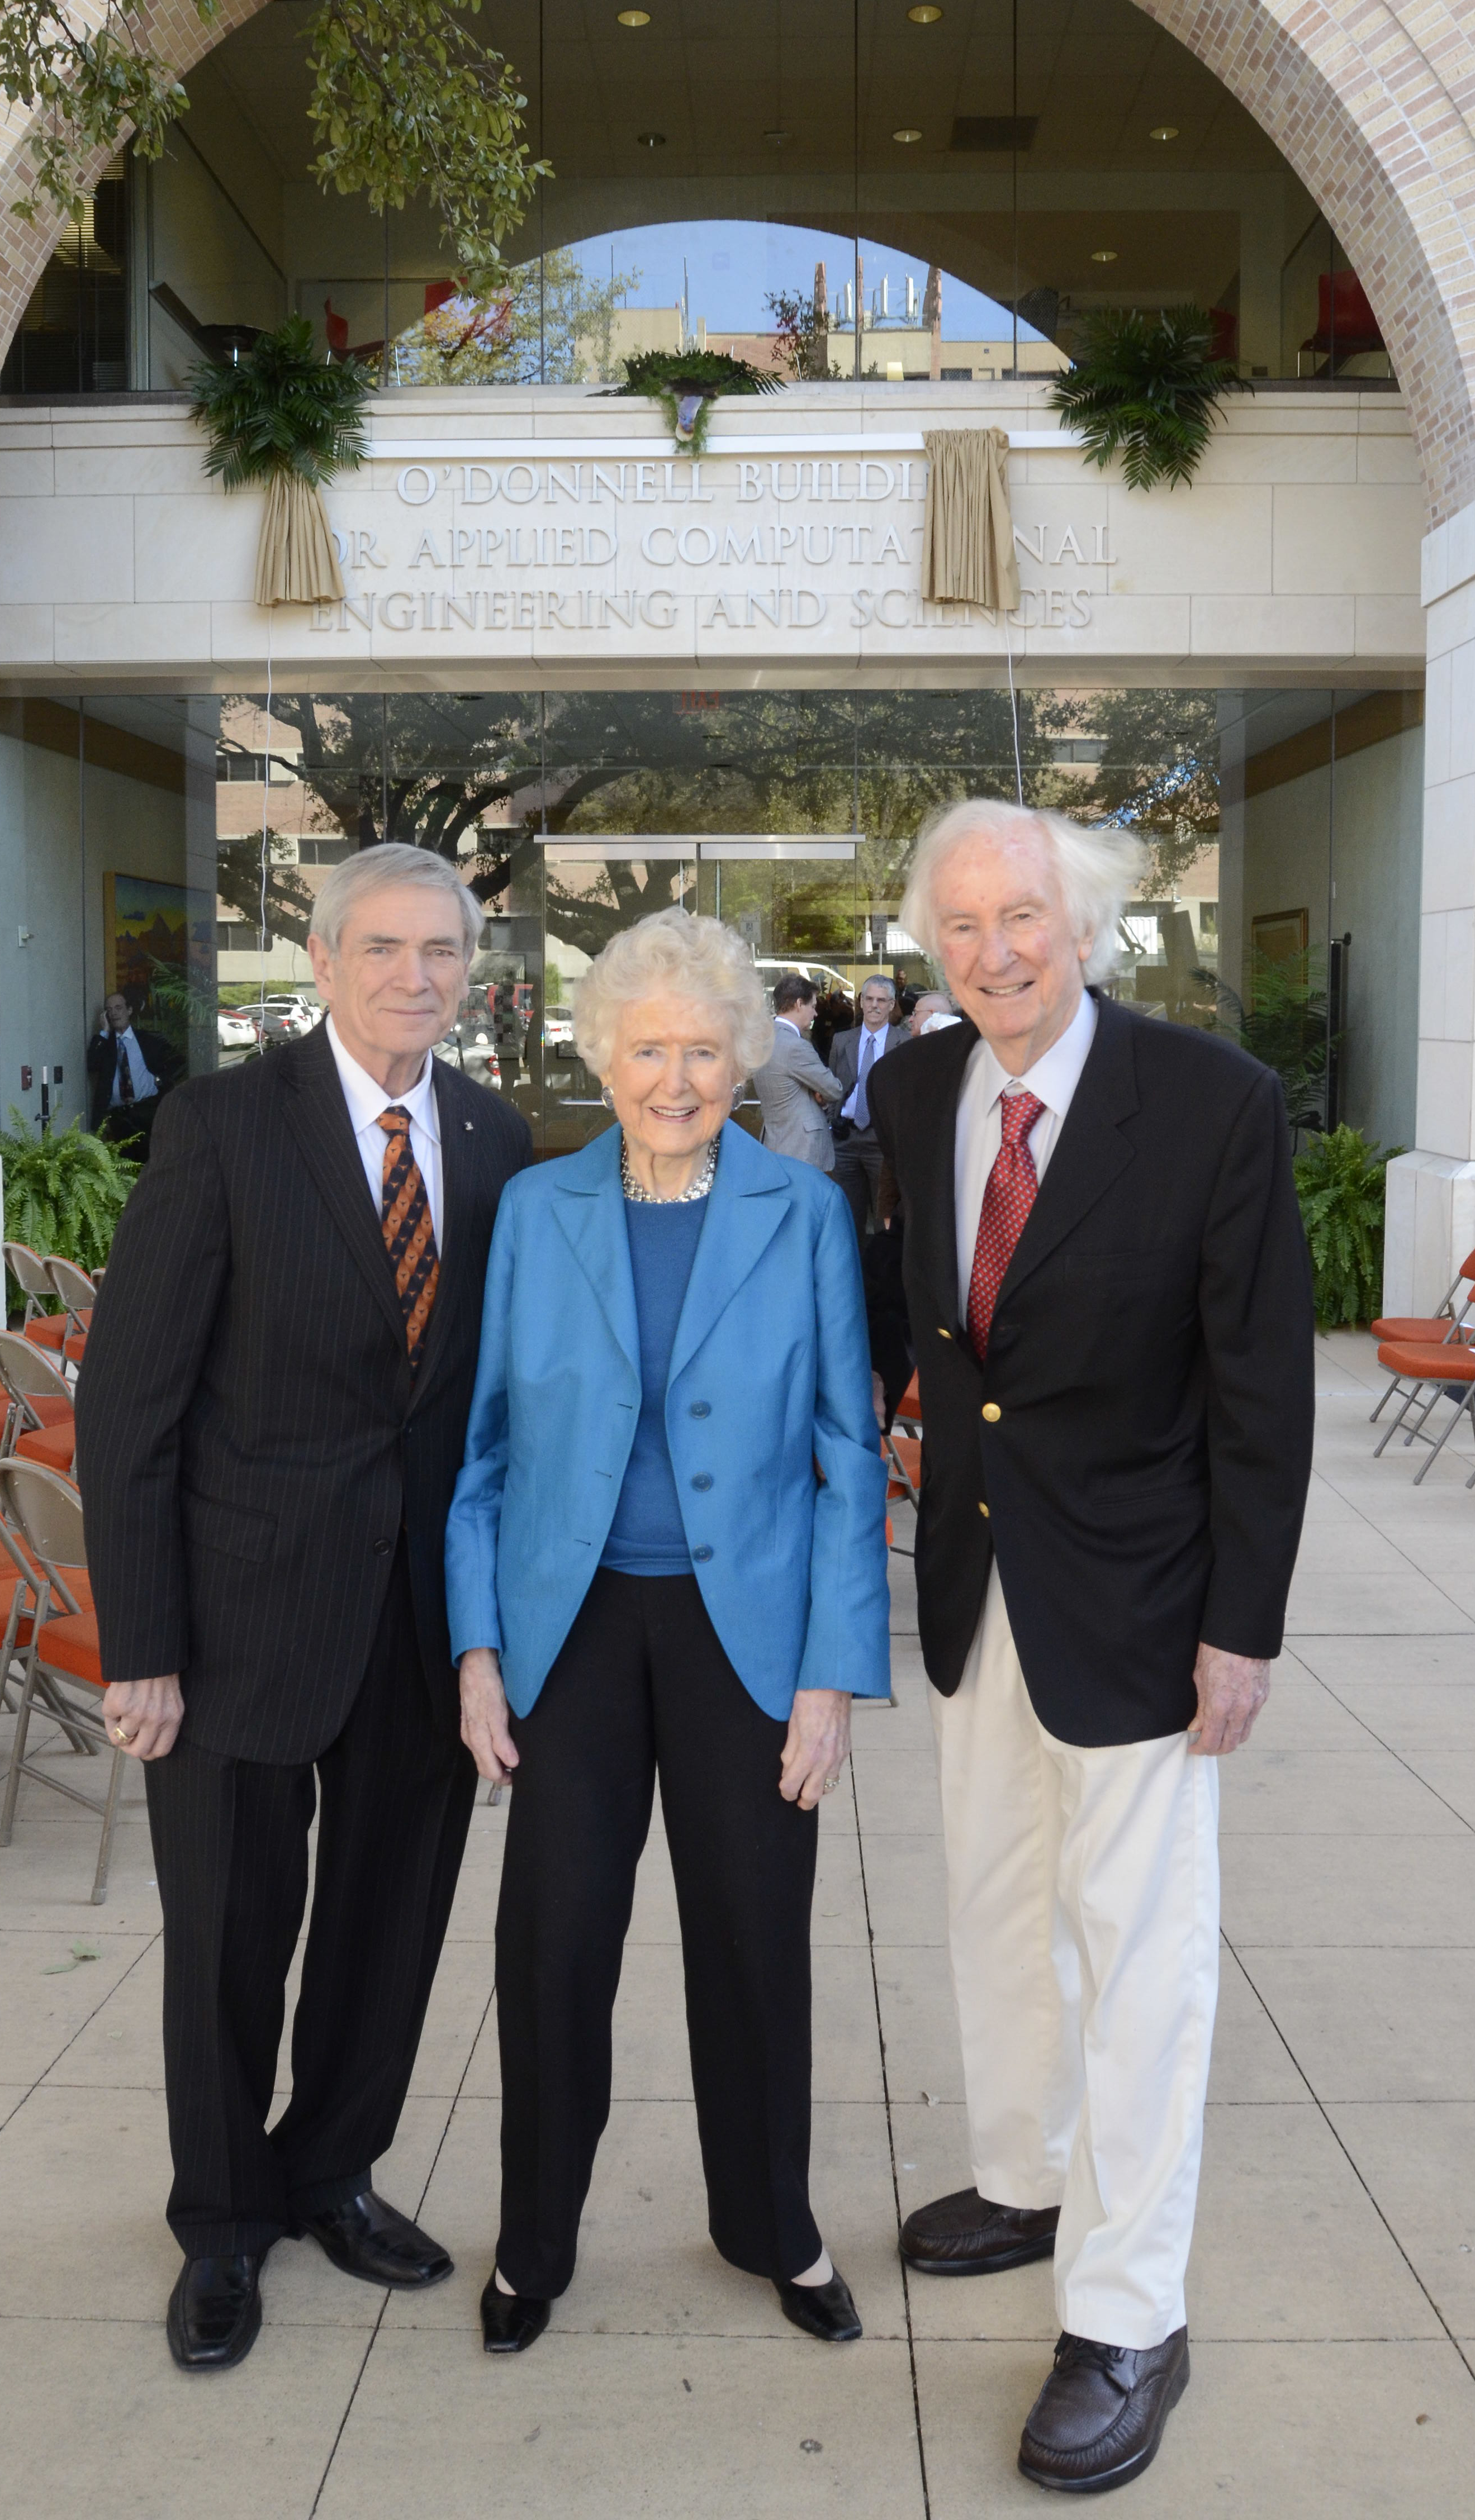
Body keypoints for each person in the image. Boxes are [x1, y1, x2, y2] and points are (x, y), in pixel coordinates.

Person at [866, 799, 1312, 2495]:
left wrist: (1239, 1626)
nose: (992, 947)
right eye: (961, 920)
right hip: (975, 1580)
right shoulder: (914, 1091)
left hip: (1140, 1597)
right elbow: (922, 1328)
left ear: (1088, 923)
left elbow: (1261, 1389)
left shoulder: (1209, 1105)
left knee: (1140, 1956)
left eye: (1022, 915)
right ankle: (1023, 2172)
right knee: (989, 1902)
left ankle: (1127, 2312)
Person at [76, 843, 533, 2375]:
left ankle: (330, 2169)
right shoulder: (219, 1127)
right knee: (225, 1941)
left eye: (442, 953)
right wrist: (138, 1644)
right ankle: (221, 2224)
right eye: (385, 949)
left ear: (471, 973)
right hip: (236, 1623)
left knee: (386, 1934)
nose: (416, 976)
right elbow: (126, 1407)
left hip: (421, 1630)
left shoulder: (496, 1134)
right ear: (324, 963)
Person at [445, 907, 890, 2359]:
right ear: (604, 1055)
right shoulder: (535, 1211)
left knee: (755, 1942)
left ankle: (775, 2224)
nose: (678, 1077)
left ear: (746, 1057)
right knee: (554, 1941)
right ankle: (535, 2242)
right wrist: (476, 1648)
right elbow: (487, 1453)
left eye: (705, 1048)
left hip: (745, 1636)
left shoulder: (803, 1214)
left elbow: (847, 1454)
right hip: (568, 1631)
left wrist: (832, 1675)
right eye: (650, 1048)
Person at [828, 973, 909, 1238]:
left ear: (891, 1004)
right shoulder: (842, 1041)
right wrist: (833, 1120)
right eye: (870, 999)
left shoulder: (904, 1043)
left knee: (884, 1220)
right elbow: (832, 1086)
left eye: (881, 1000)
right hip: (846, 1140)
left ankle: (879, 1278)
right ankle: (853, 1276)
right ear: (861, 1002)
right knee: (847, 1220)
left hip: (882, 1141)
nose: (875, 1005)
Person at [751, 972, 845, 1169]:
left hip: (775, 1142)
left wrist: (814, 1091)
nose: (816, 1013)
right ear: (799, 1004)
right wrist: (818, 1092)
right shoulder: (795, 1046)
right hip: (802, 1148)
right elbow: (834, 1089)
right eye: (813, 1006)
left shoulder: (764, 1040)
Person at [87, 988, 181, 1149]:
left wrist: (159, 1081)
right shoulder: (105, 1043)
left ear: (129, 1010)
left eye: (118, 1008)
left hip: (147, 1110)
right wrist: (104, 1032)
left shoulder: (147, 1040)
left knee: (151, 1157)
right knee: (123, 1164)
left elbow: (176, 1062)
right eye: (109, 1010)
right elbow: (92, 1065)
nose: (114, 1014)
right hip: (118, 1116)